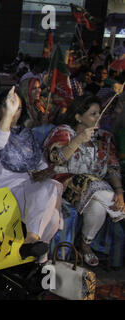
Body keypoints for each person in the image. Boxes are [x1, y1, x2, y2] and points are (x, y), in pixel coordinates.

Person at [0, 87, 63, 263]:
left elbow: (40, 164)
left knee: (51, 192)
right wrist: (8, 115)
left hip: (27, 188)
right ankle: (41, 259)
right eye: (7, 106)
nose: (12, 111)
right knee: (51, 213)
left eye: (17, 108)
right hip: (3, 191)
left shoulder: (26, 135)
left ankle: (32, 241)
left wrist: (46, 171)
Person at [43, 95, 125, 267]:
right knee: (95, 187)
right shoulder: (64, 132)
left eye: (99, 114)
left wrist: (119, 192)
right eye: (93, 114)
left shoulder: (104, 138)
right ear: (79, 117)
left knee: (98, 206)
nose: (98, 118)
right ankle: (121, 215)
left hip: (95, 191)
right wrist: (78, 139)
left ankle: (85, 244)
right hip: (62, 183)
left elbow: (113, 167)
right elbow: (55, 157)